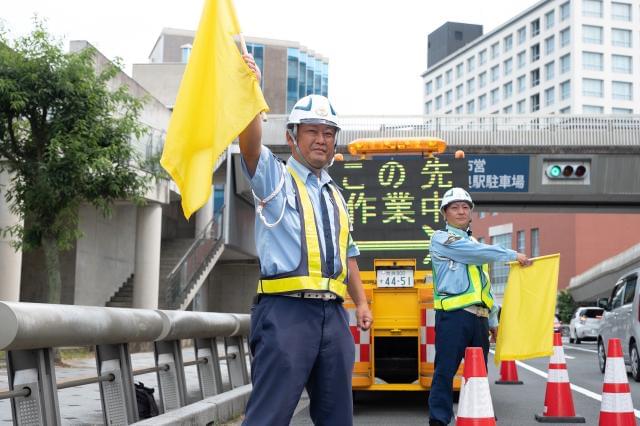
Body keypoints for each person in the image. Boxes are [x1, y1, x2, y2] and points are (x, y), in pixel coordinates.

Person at [238, 53, 372, 426]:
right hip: (285, 313)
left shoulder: (336, 195)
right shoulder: (274, 179)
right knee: (268, 417)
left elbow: (348, 255)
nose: (321, 140)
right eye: (312, 131)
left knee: (337, 419)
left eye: (328, 133)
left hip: (333, 315)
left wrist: (360, 303)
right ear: (291, 136)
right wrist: (251, 91)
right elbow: (249, 147)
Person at [427, 187, 531, 426]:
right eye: (454, 207)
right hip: (453, 316)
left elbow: (484, 286)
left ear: (471, 212)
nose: (461, 211)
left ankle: (478, 415)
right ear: (445, 214)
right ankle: (439, 420)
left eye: (465, 207)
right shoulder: (441, 239)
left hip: (479, 318)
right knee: (445, 372)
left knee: (478, 374)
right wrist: (512, 254)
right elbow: (475, 252)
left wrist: (492, 320)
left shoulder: (475, 243)